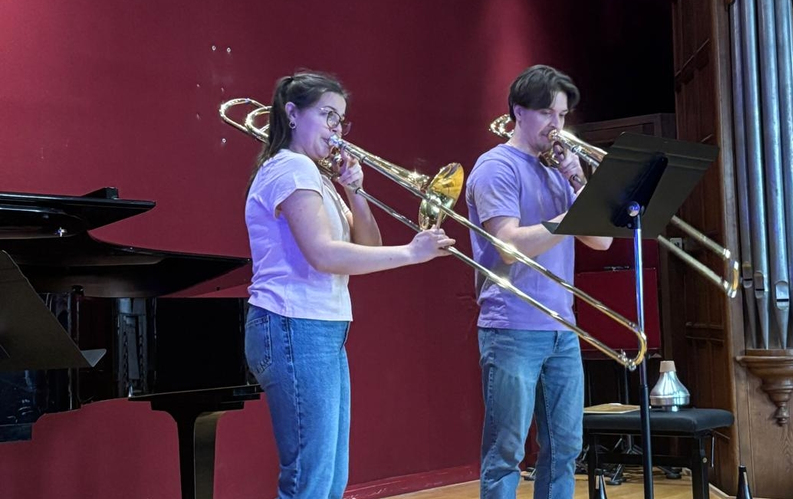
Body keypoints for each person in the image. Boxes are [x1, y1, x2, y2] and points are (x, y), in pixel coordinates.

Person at [243, 71, 455, 499]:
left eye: (340, 120)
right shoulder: (292, 168)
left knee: (330, 479)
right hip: (293, 323)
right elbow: (324, 255)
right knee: (310, 481)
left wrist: (355, 191)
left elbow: (365, 247)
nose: (336, 129)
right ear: (291, 114)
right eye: (327, 115)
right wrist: (411, 252)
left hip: (318, 327)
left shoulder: (317, 177)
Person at [466, 65, 613, 499]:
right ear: (518, 111)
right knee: (507, 450)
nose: (557, 125)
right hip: (512, 325)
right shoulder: (495, 167)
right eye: (547, 113)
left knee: (565, 448)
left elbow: (602, 240)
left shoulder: (558, 171)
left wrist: (577, 179)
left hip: (561, 326)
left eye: (562, 115)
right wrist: (570, 216)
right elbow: (509, 245)